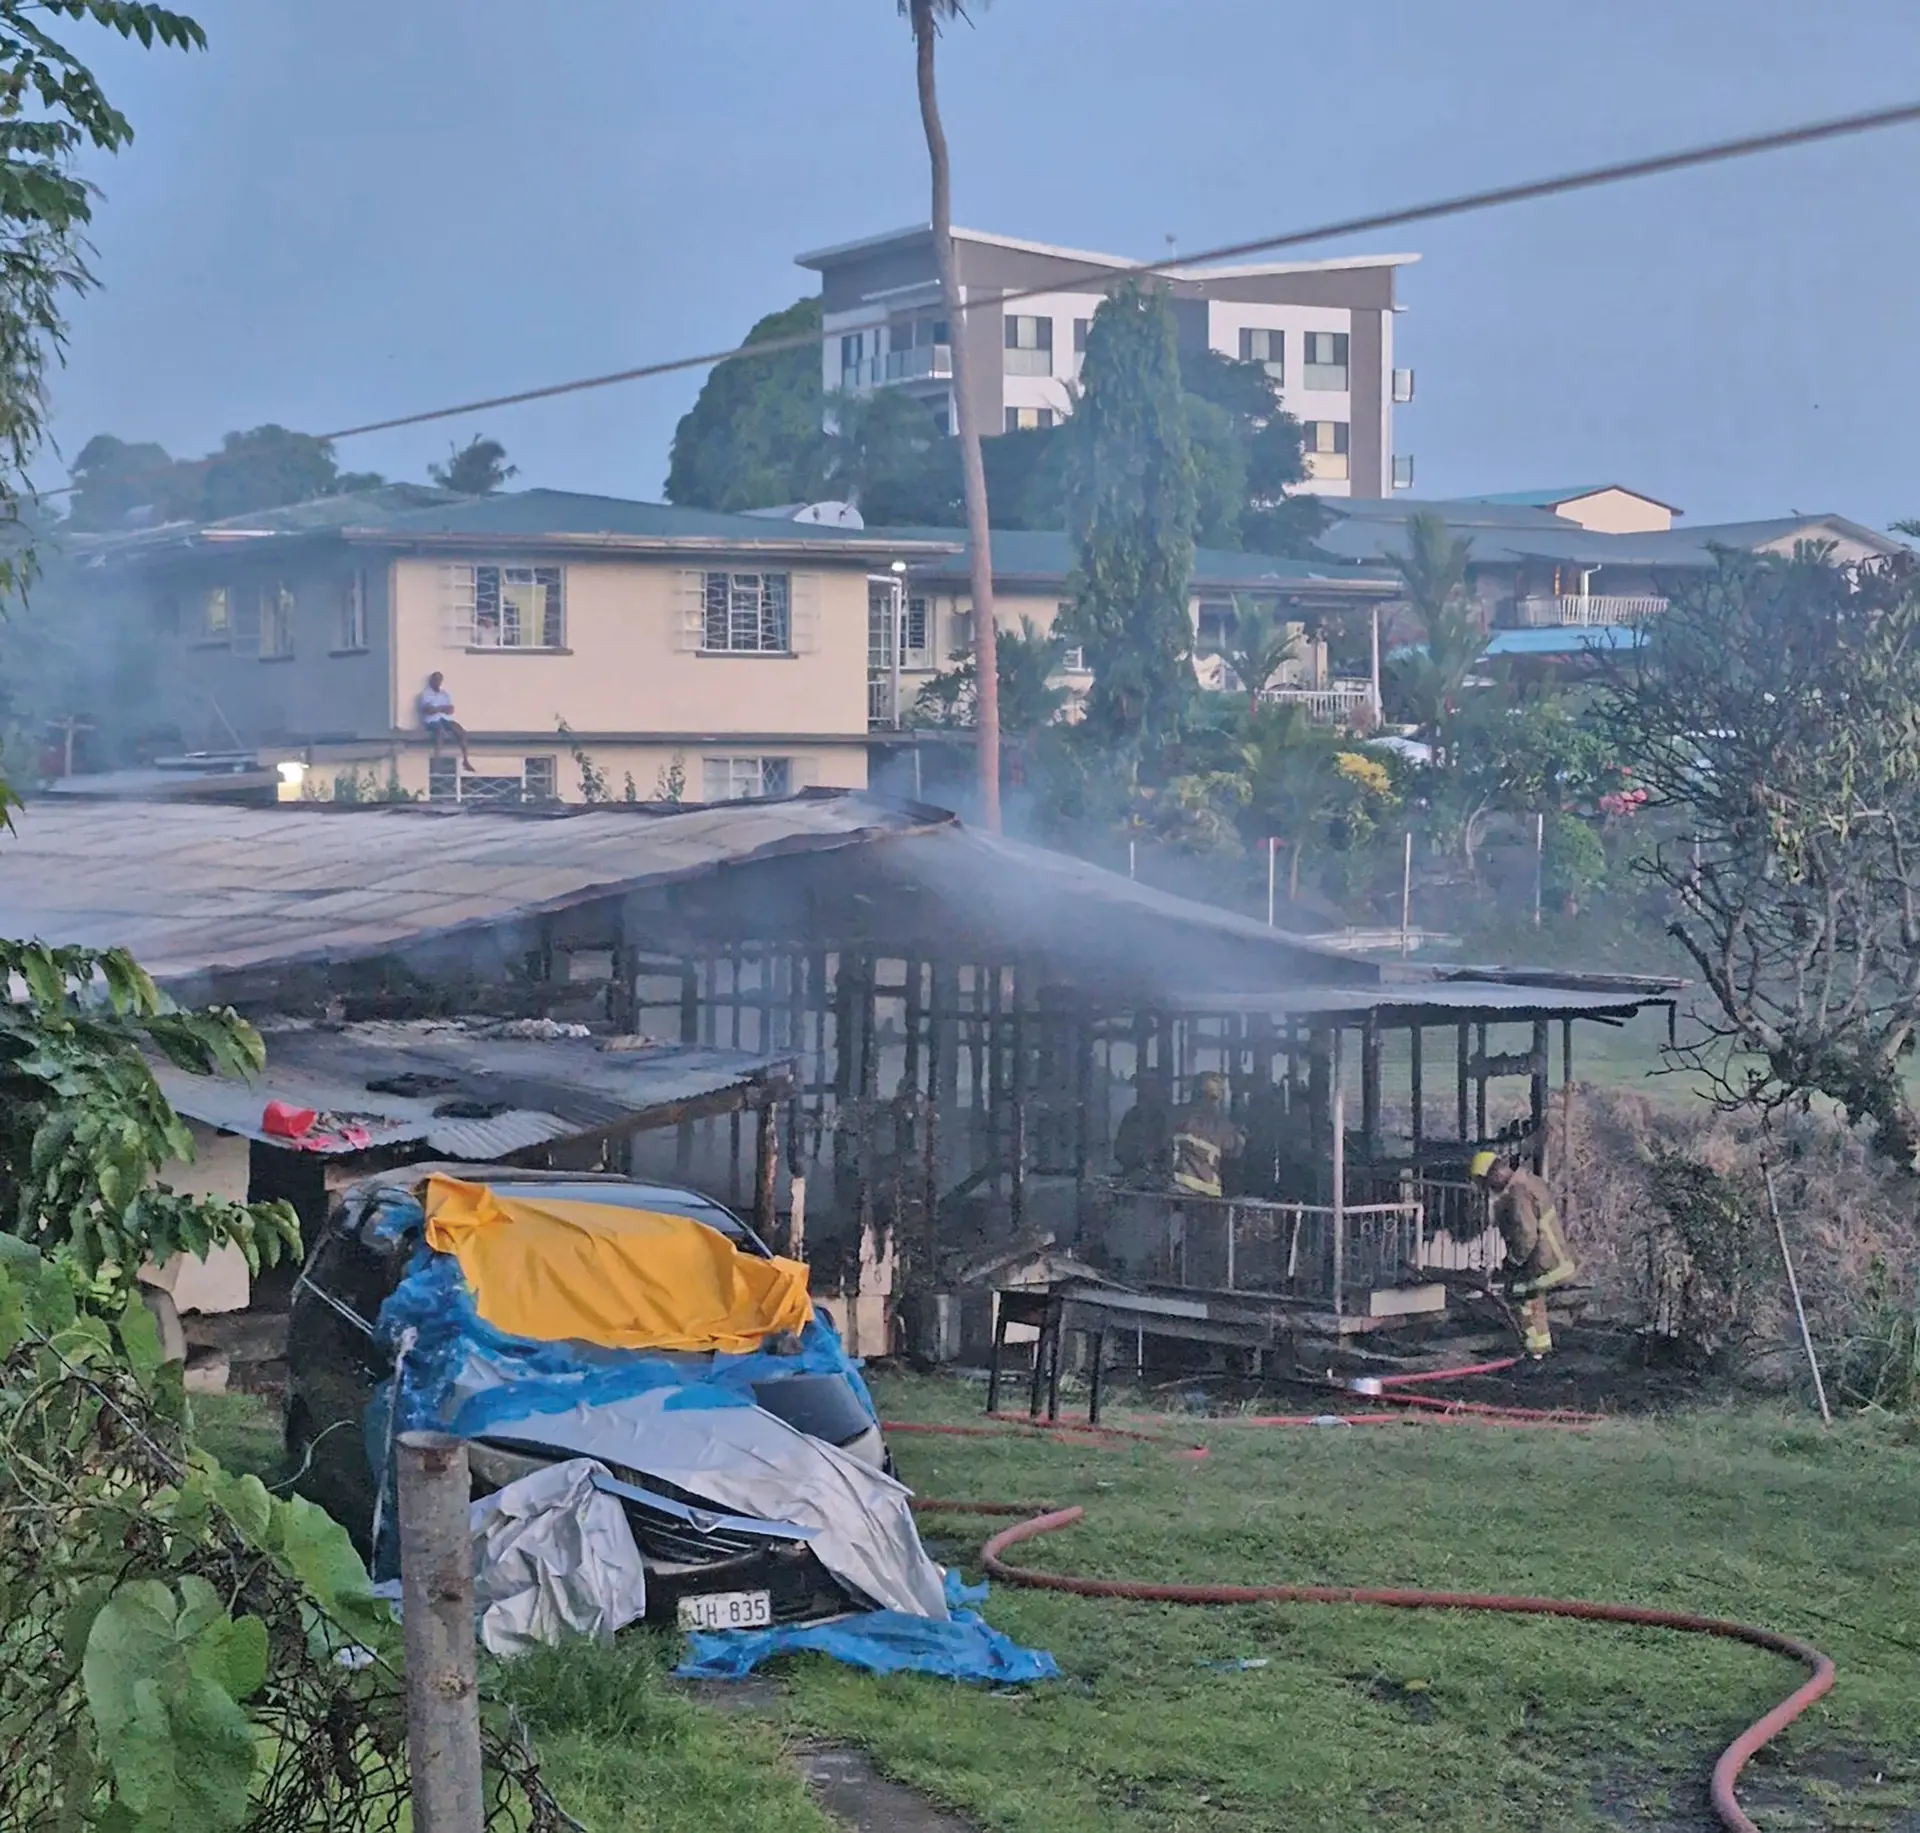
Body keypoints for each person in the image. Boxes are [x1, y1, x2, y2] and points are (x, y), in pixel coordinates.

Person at [1469, 1150, 1576, 1359]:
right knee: (1532, 1298)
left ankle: (1534, 1353)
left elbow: (1526, 1236)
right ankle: (1541, 1352)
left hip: (1548, 1264)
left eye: (1487, 1184)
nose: (1489, 1190)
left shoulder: (1517, 1194)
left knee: (1518, 1294)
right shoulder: (1529, 1181)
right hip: (1559, 1260)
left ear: (1494, 1175)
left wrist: (1511, 1263)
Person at [1170, 1072, 1245, 1201]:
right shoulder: (1222, 1125)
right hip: (1207, 1196)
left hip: (1177, 1191)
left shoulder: (1176, 1116)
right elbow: (1235, 1151)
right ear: (1219, 1097)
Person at [1113, 1069, 1172, 1185]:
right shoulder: (1132, 1116)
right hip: (1133, 1184)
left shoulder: (1172, 1116)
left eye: (1152, 1084)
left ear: (1161, 1088)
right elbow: (1120, 1150)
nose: (1147, 1089)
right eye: (1144, 1084)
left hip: (1169, 1187)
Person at [418, 671, 473, 769]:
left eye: (439, 679)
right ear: (431, 680)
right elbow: (428, 710)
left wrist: (438, 708)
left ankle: (465, 760)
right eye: (436, 679)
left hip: (445, 719)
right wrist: (442, 708)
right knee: (440, 732)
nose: (437, 682)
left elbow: (451, 710)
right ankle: (437, 760)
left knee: (461, 731)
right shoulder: (426, 694)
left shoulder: (444, 694)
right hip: (431, 721)